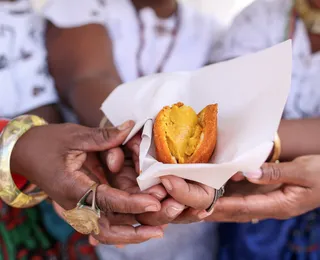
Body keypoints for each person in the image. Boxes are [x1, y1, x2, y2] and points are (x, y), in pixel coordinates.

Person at [40, 0, 222, 259]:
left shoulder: (211, 31)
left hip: (187, 230)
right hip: (97, 187)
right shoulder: (81, 6)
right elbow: (88, 78)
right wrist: (127, 135)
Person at [0, 1, 166, 258]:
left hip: (47, 211)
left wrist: (118, 137)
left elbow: (86, 77)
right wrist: (19, 149)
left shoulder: (30, 15)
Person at [208, 0, 320, 259]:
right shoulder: (262, 16)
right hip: (249, 197)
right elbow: (228, 110)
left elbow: (235, 133)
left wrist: (265, 140)